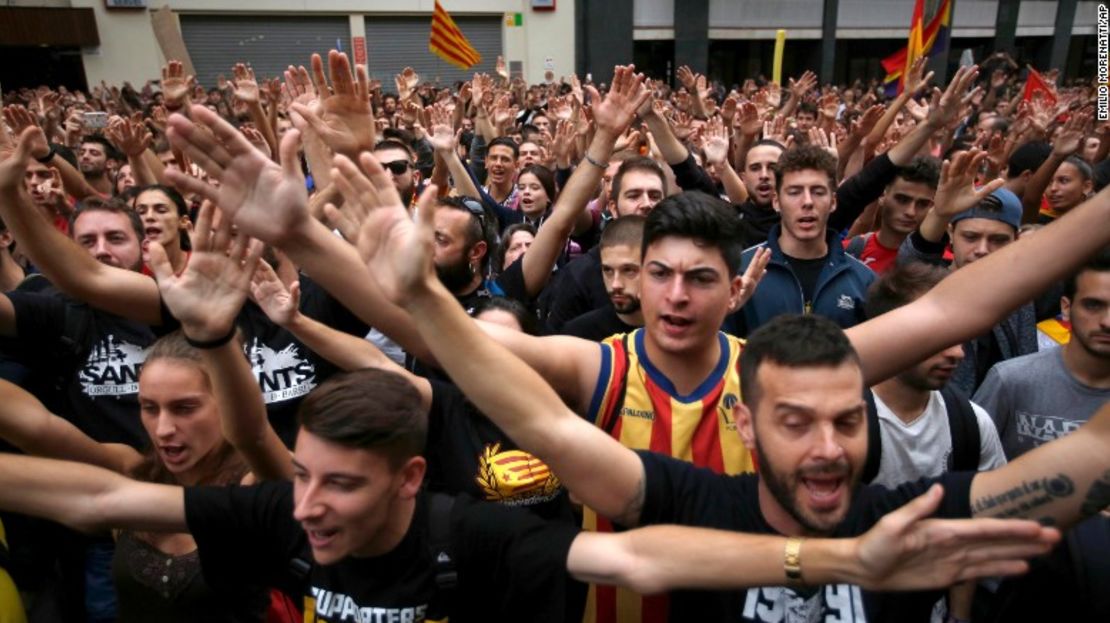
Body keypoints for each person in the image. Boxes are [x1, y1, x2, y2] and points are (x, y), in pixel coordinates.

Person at [341, 149, 1107, 621]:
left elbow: (954, 306)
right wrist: (329, 249)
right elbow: (475, 361)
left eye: (700, 278)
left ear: (738, 284)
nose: (677, 296)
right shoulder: (606, 376)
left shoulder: (790, 380)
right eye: (661, 275)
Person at [897, 150, 1036, 393]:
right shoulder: (930, 286)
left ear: (1015, 239)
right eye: (971, 237)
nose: (982, 250)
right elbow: (911, 263)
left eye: (998, 240)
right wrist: (940, 213)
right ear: (950, 234)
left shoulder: (1020, 299)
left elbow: (1027, 372)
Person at [973, 247, 1110, 460]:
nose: (1107, 322)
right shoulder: (1011, 380)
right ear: (1066, 307)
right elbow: (965, 465)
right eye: (1093, 305)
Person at [724, 145, 876, 337]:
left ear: (833, 202)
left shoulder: (863, 280)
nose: (807, 202)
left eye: (818, 192)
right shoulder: (740, 270)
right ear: (776, 202)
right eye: (794, 192)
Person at [843, 157, 939, 275]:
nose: (911, 212)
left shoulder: (940, 264)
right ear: (883, 195)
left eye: (922, 204)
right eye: (902, 199)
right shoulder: (850, 250)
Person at [562, 216, 644, 341]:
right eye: (608, 270)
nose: (615, 284)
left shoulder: (675, 330)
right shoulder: (578, 335)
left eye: (628, 270)